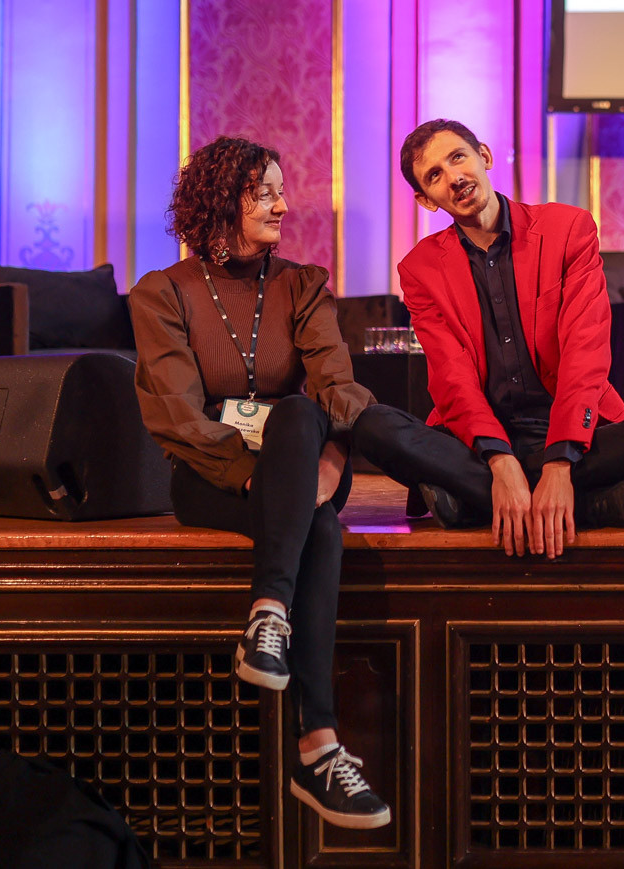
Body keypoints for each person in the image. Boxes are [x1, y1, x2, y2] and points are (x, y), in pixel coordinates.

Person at [129, 136, 416, 831]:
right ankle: (318, 747)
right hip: (211, 477)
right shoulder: (163, 292)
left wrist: (335, 457)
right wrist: (262, 480)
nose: (284, 205)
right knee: (319, 529)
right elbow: (178, 417)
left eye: (282, 192)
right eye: (265, 193)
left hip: (309, 467)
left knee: (297, 412)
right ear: (220, 201)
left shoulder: (302, 284)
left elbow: (336, 386)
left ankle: (267, 616)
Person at [354, 118, 624, 558]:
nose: (454, 177)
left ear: (484, 156)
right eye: (435, 175)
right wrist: (501, 462)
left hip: (570, 432)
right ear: (426, 200)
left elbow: (585, 353)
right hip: (479, 443)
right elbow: (451, 378)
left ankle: (471, 504)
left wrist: (558, 462)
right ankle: (595, 501)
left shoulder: (568, 228)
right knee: (372, 425)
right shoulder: (419, 269)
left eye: (458, 157)